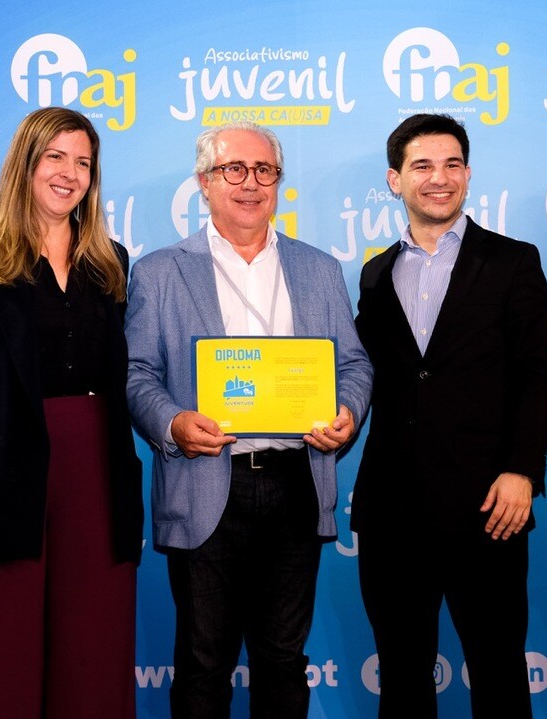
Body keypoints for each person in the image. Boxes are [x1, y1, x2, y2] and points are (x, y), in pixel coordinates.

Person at [125, 120, 372, 719]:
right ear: (204, 182)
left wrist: (347, 410)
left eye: (264, 170)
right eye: (234, 169)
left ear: (278, 182)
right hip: (207, 482)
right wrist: (173, 424)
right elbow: (136, 373)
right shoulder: (160, 270)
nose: (250, 183)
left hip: (295, 482)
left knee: (283, 660)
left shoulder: (318, 267)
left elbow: (354, 364)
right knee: (202, 663)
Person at [0, 107, 144, 718]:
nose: (70, 173)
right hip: (0, 474)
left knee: (93, 657)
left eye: (83, 163)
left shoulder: (111, 261)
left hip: (96, 475)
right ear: (26, 163)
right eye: (56, 157)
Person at [352, 113, 547, 718]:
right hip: (393, 511)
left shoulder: (513, 261)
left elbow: (534, 374)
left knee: (498, 673)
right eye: (422, 166)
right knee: (402, 678)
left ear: (467, 174)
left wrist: (523, 470)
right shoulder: (375, 273)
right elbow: (364, 377)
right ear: (395, 180)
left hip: (489, 505)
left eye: (452, 164)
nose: (439, 178)